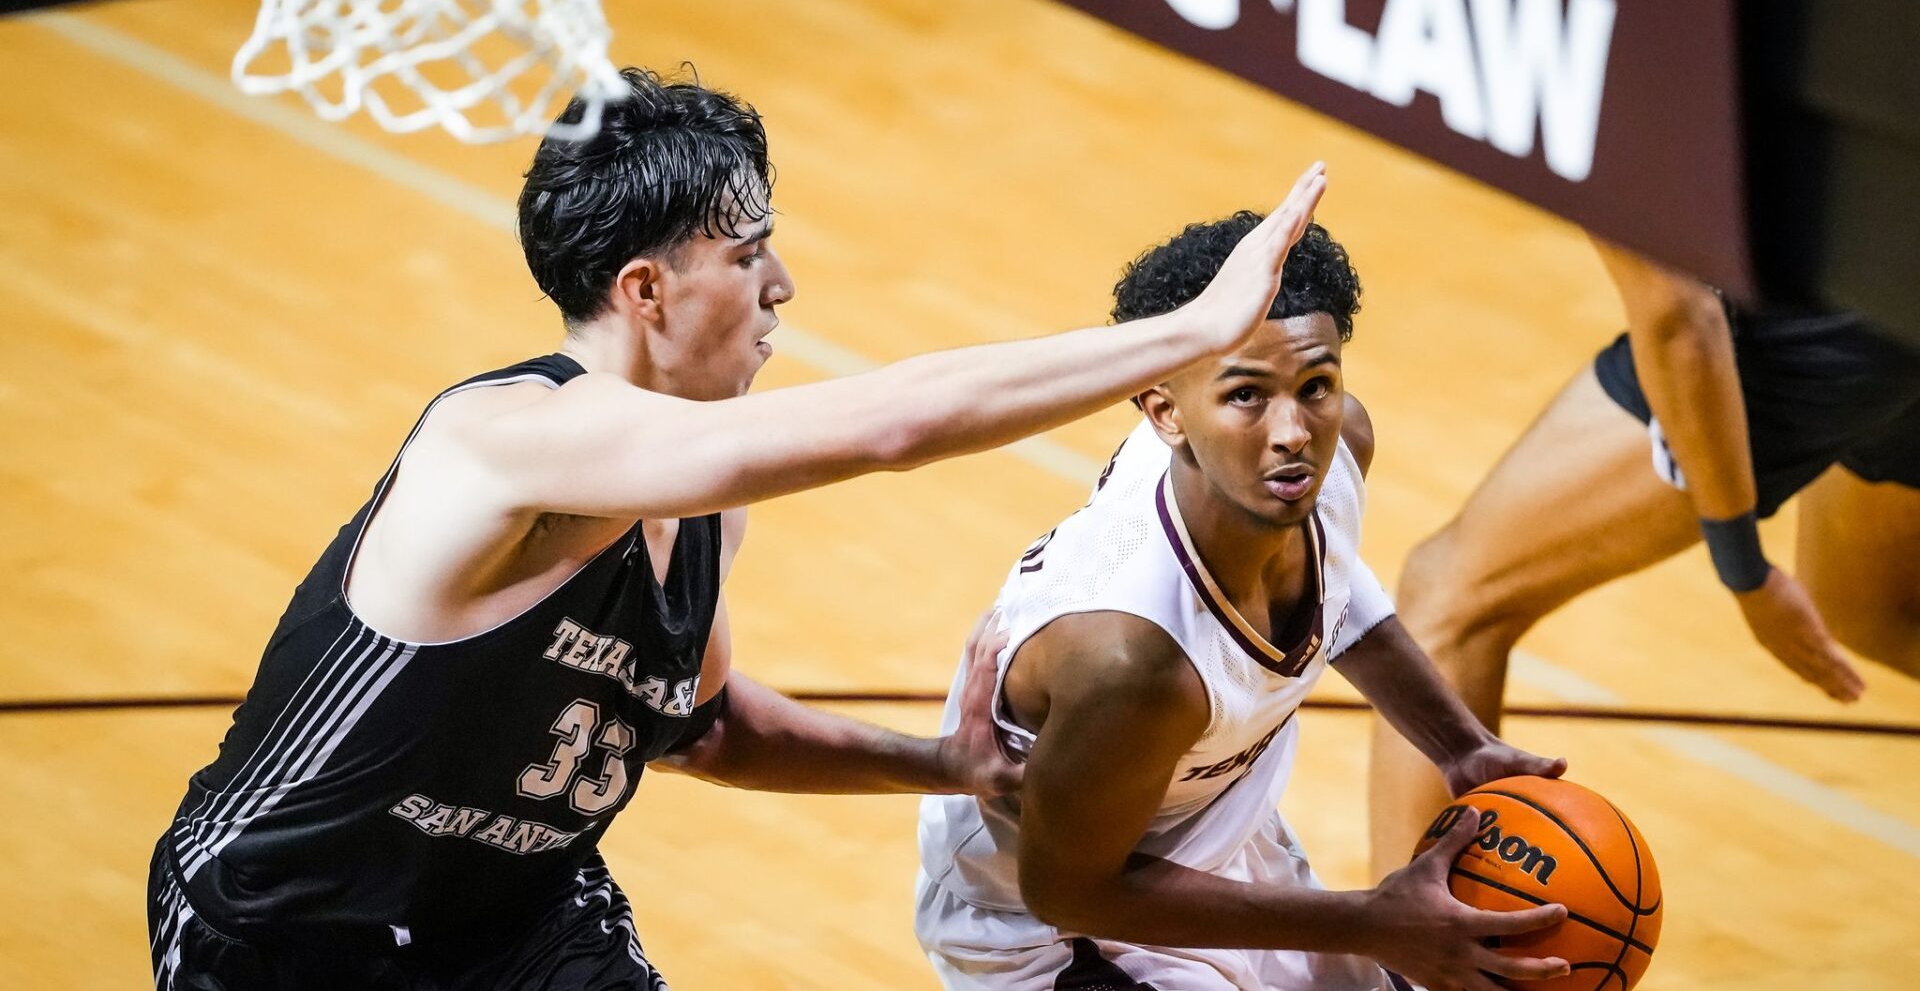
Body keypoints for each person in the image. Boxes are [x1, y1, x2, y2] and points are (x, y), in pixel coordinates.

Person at [146, 68, 1333, 990]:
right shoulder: (503, 441)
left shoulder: (706, 498)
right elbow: (893, 423)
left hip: (515, 916)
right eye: (747, 251)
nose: (783, 286)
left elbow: (702, 728)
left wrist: (944, 764)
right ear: (647, 291)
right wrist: (1193, 328)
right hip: (287, 923)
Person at [915, 212, 1572, 991]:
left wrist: (1458, 745)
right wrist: (1371, 920)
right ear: (1165, 412)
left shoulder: (1326, 461)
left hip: (1214, 845)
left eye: (1316, 386)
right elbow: (1066, 889)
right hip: (1056, 937)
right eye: (1247, 396)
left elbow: (1333, 585)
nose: (1294, 431)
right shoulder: (1130, 655)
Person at [1366, 239, 1920, 876]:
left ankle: (1410, 956)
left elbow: (1677, 317)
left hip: (1834, 324)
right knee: (1872, 612)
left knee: (1448, 600)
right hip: (1886, 261)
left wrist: (1743, 568)